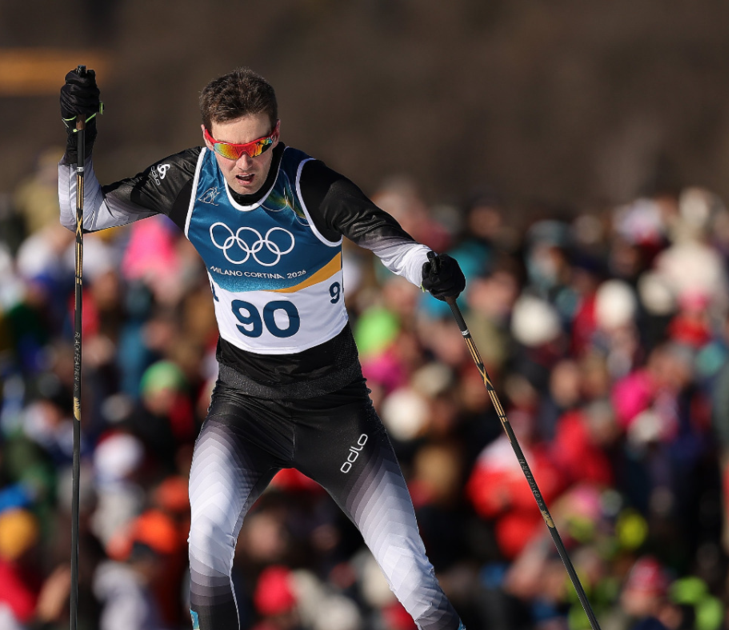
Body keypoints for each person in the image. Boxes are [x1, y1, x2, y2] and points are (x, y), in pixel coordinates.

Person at [58, 67, 466, 630]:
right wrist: (79, 141)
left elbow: (391, 244)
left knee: (409, 571)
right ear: (208, 138)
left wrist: (432, 268)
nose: (244, 163)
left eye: (258, 146)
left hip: (334, 410)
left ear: (278, 133)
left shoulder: (311, 186)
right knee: (206, 539)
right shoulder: (188, 178)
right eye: (229, 148)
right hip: (247, 406)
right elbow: (84, 215)